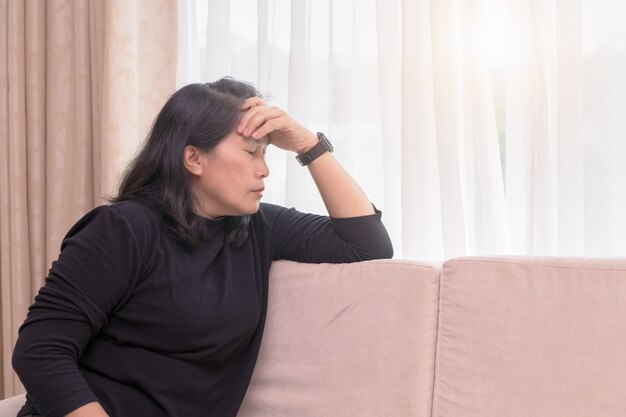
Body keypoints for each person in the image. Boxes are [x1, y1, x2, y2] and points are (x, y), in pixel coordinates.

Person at [12, 78, 393, 417]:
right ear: (193, 158)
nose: (265, 170)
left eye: (266, 153)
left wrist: (306, 143)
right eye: (250, 152)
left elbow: (367, 243)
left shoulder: (256, 226)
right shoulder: (123, 229)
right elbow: (40, 351)